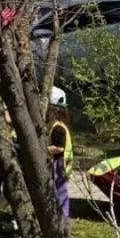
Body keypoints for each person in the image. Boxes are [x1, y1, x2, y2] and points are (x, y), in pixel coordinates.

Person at [46, 87, 74, 222]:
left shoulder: (57, 127)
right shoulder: (61, 125)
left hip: (58, 167)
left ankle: (63, 222)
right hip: (62, 167)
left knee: (60, 196)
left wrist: (42, 150)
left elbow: (59, 148)